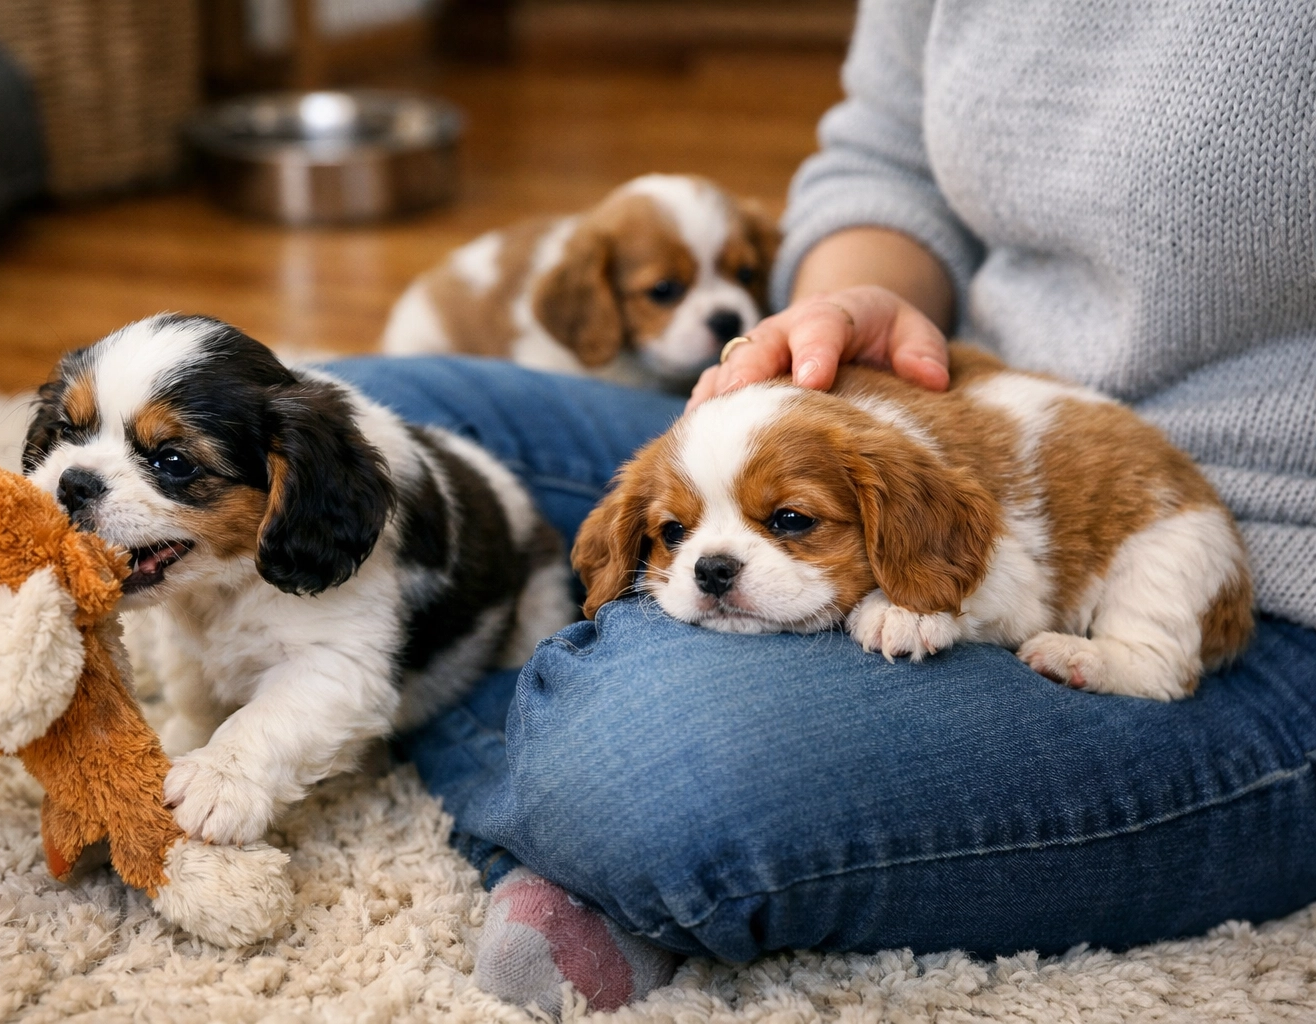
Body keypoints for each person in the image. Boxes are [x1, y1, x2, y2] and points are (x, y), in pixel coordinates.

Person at [332, 0, 1316, 1014]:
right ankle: (543, 774)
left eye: (787, 524)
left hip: (1274, 589)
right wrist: (841, 314)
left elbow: (959, 553)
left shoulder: (938, 520)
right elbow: (883, 159)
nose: (701, 561)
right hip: (891, 404)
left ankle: (473, 718)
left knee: (645, 761)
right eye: (674, 540)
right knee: (350, 427)